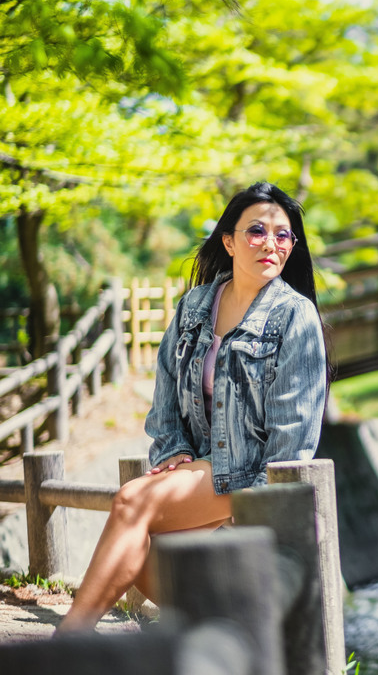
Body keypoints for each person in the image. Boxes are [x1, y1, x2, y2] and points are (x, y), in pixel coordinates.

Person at [55, 182, 327, 633]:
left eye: (284, 236)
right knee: (143, 554)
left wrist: (255, 507)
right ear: (229, 240)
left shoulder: (294, 316)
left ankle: (66, 643)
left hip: (247, 477)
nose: (272, 244)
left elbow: (293, 442)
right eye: (257, 231)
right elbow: (164, 404)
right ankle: (219, 634)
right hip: (199, 471)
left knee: (129, 502)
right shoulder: (194, 307)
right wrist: (173, 453)